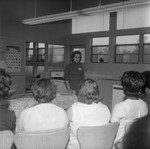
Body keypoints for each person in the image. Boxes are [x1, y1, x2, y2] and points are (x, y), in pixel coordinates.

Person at [67, 78, 110, 149]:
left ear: (80, 91)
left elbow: (63, 129)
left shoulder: (72, 110)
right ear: (97, 92)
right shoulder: (105, 109)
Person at [111, 71, 148, 146]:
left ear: (124, 88)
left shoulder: (120, 107)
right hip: (138, 144)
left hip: (120, 144)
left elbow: (112, 130)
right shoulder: (144, 105)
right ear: (140, 89)